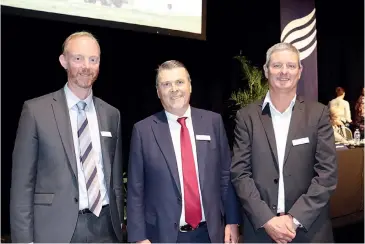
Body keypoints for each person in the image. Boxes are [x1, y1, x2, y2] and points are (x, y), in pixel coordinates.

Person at [10, 31, 124, 243]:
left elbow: (116, 179)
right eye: (78, 58)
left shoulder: (111, 114)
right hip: (57, 231)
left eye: (93, 59)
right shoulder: (36, 111)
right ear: (64, 61)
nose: (86, 66)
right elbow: (21, 186)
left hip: (107, 230)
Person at [231, 43, 338, 243]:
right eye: (277, 65)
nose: (284, 72)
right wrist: (267, 219)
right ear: (266, 70)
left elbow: (327, 174)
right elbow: (240, 174)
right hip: (261, 231)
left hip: (309, 230)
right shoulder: (246, 117)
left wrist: (294, 219)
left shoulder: (318, 114)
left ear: (299, 71)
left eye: (290, 66)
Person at [127, 60, 241, 243]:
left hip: (210, 234)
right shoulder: (143, 131)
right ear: (158, 92)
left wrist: (232, 222)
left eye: (179, 82)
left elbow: (226, 176)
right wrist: (138, 238)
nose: (174, 89)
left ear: (190, 86)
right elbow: (135, 190)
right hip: (163, 237)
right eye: (166, 84)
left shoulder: (213, 122)